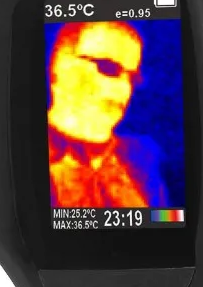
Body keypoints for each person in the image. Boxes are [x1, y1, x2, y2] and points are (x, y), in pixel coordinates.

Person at [47, 21, 168, 209]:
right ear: (58, 65)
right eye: (107, 68)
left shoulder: (141, 160)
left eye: (133, 79)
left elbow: (167, 219)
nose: (123, 91)